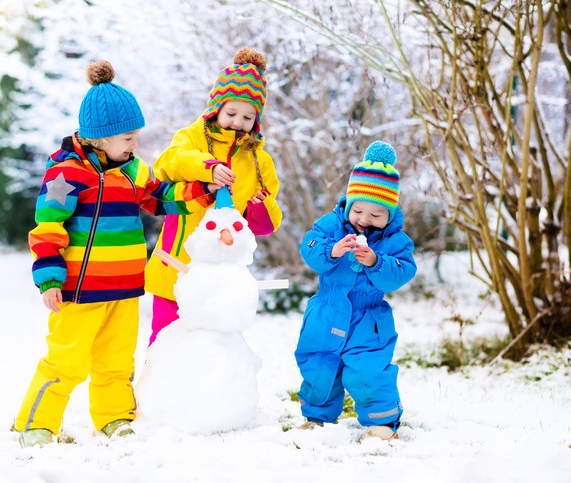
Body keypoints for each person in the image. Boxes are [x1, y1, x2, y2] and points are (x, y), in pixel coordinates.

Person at [13, 60, 218, 447]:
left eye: (136, 135)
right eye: (128, 137)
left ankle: (113, 418)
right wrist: (50, 279)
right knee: (66, 361)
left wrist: (200, 192)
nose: (135, 144)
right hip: (77, 292)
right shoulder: (65, 175)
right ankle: (35, 423)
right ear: (100, 138)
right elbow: (47, 229)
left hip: (124, 289)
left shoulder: (134, 171)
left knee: (116, 361)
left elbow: (161, 198)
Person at [144, 48, 282, 345]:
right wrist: (208, 168)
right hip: (176, 267)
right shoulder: (192, 137)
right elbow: (168, 162)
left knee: (213, 345)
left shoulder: (259, 161)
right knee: (166, 340)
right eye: (231, 113)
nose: (237, 122)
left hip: (222, 278)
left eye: (248, 116)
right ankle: (160, 391)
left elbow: (267, 224)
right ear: (216, 108)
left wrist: (260, 207)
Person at [294, 141, 417, 441]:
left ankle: (382, 422)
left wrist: (376, 262)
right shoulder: (331, 226)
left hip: (368, 320)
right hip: (325, 312)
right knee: (319, 365)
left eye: (376, 214)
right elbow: (309, 246)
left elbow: (403, 271)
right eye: (358, 209)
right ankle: (317, 418)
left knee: (367, 371)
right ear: (348, 203)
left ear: (390, 214)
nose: (364, 219)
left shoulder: (395, 242)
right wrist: (331, 251)